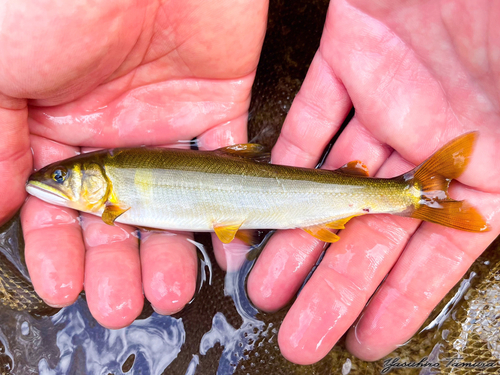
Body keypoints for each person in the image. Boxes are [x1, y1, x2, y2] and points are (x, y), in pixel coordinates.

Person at [1, 0, 499, 366]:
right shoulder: (109, 190)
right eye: (61, 178)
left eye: (64, 178)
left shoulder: (111, 197)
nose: (51, 183)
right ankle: (412, 194)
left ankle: (412, 193)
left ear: (95, 180)